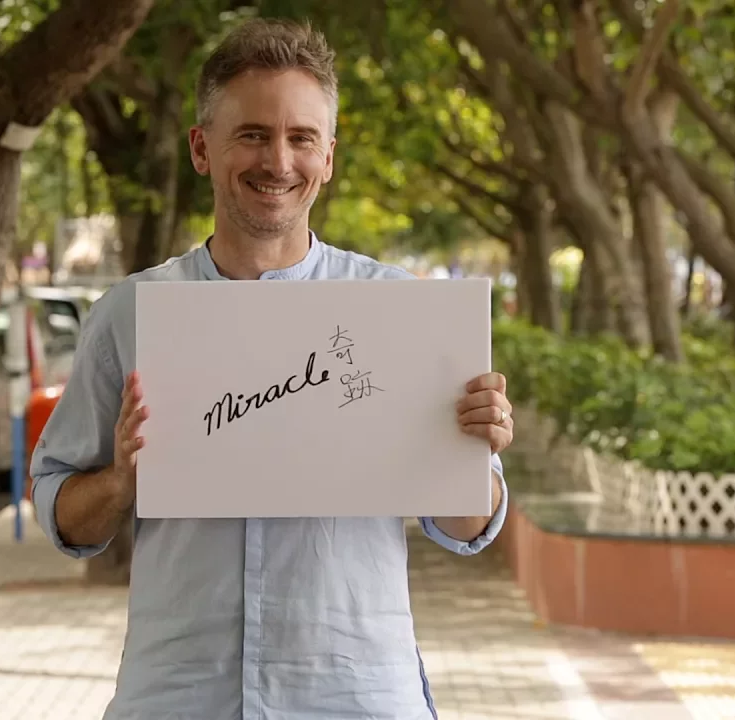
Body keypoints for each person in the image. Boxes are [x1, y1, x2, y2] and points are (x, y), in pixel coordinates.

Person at [30, 18, 515, 720]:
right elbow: (62, 512)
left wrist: (473, 446)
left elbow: (467, 526)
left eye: (301, 138)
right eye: (253, 135)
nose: (278, 161)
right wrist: (117, 482)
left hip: (354, 698)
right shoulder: (130, 314)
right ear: (202, 148)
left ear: (329, 157)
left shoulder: (398, 310)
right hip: (179, 698)